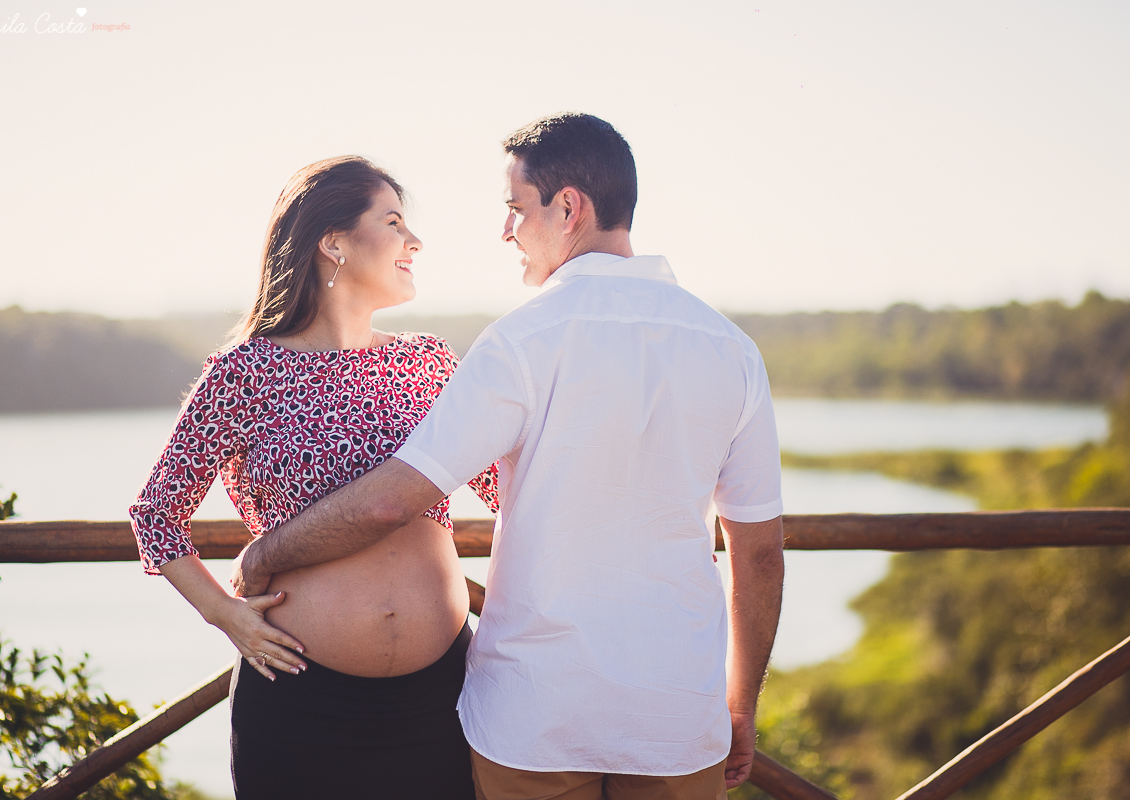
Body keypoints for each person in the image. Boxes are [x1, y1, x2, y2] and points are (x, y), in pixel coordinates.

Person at [232, 113, 785, 800]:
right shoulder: (730, 348)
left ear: (569, 207)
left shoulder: (519, 341)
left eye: (515, 209)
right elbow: (759, 554)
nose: (506, 232)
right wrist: (739, 706)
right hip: (674, 717)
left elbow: (390, 499)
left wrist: (266, 553)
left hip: (534, 717)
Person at [129, 156, 497, 800]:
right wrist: (226, 616)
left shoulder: (430, 362)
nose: (415, 242)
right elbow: (156, 513)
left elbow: (507, 489)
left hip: (446, 694)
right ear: (333, 242)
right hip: (303, 702)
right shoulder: (245, 372)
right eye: (393, 222)